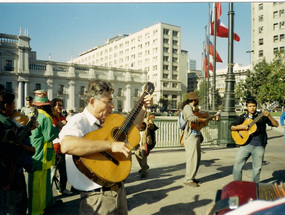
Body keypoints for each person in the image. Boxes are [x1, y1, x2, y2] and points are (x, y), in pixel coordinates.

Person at [58, 79, 153, 214]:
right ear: (92, 101)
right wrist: (110, 145)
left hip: (119, 191)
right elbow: (67, 145)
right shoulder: (79, 121)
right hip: (96, 198)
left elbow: (133, 130)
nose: (112, 106)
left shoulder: (108, 121)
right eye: (108, 102)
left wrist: (143, 107)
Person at [0, 91, 37, 215]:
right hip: (11, 171)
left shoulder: (10, 119)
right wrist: (29, 149)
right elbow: (16, 146)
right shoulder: (6, 123)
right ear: (6, 105)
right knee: (17, 205)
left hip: (7, 172)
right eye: (13, 104)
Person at [28, 90, 62, 215]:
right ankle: (37, 211)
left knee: (41, 184)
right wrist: (58, 128)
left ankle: (47, 204)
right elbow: (48, 136)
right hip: (42, 155)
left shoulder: (33, 114)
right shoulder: (46, 117)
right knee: (39, 185)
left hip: (34, 152)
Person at [230, 98, 279, 183]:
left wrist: (269, 116)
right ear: (246, 107)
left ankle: (253, 187)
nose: (252, 108)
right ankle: (237, 185)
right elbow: (231, 127)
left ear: (256, 106)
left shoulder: (262, 116)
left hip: (259, 145)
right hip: (245, 145)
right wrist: (242, 127)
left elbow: (276, 124)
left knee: (257, 168)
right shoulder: (243, 117)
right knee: (237, 164)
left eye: (254, 106)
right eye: (250, 106)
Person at [181, 91, 214, 187]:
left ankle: (192, 177)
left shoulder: (193, 108)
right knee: (192, 158)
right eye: (197, 99)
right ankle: (188, 179)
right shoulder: (187, 107)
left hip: (196, 134)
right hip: (190, 135)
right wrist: (202, 120)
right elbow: (192, 118)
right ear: (194, 99)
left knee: (197, 158)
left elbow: (197, 122)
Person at [50, 98, 72, 195]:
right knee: (52, 172)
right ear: (53, 106)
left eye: (61, 105)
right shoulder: (51, 118)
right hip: (55, 149)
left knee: (64, 172)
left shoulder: (63, 118)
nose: (61, 107)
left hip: (63, 148)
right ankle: (48, 193)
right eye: (59, 105)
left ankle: (62, 189)